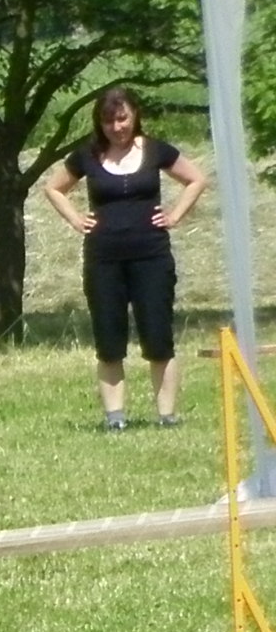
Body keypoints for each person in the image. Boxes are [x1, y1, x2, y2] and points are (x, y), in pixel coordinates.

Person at [44, 86, 207, 431]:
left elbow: (196, 179)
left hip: (151, 256)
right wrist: (75, 219)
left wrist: (175, 215)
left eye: (122, 119)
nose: (117, 127)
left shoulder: (156, 150)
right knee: (109, 339)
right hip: (104, 259)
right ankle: (115, 418)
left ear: (134, 115)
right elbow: (53, 188)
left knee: (158, 335)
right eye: (108, 121)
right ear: (99, 123)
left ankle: (167, 416)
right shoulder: (86, 155)